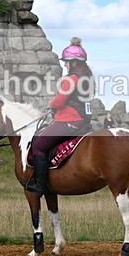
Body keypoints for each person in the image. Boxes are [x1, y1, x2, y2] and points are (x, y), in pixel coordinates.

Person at [26, 38, 95, 197]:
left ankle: (40, 186)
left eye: (67, 62)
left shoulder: (70, 79)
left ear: (74, 62)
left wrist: (51, 105)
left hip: (69, 120)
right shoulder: (87, 78)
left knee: (38, 146)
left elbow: (59, 101)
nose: (65, 64)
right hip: (83, 121)